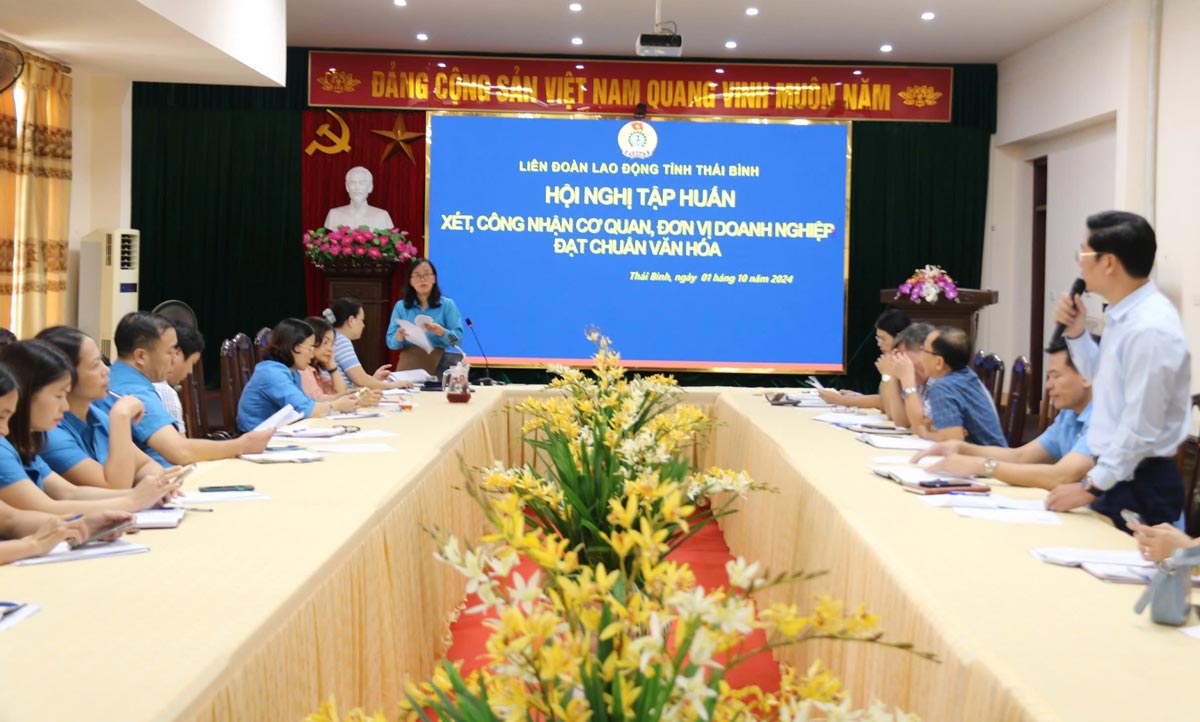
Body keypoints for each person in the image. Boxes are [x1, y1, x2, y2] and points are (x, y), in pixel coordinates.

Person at [1046, 211, 1192, 532]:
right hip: (1119, 475)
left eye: (1082, 254)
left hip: (1140, 481)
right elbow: (1104, 380)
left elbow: (1140, 425)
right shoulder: (1124, 314)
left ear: (1109, 263)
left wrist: (1089, 487)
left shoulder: (1150, 327)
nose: (1079, 264)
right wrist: (1076, 334)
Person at [0, 341, 179, 515]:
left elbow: (68, 493)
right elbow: (44, 508)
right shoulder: (22, 443)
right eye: (58, 395)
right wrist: (132, 500)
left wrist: (143, 494)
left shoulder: (24, 442)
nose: (65, 406)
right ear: (27, 394)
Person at [912, 337, 1093, 489]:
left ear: (1086, 375)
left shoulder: (1101, 418)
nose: (1048, 386)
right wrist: (960, 448)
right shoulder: (1069, 414)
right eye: (1049, 377)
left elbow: (1060, 477)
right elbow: (1020, 457)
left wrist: (981, 465)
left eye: (1056, 376)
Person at [94, 312, 271, 465]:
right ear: (141, 355)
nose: (173, 360)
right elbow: (179, 451)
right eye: (170, 352)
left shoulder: (119, 378)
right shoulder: (135, 391)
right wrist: (243, 445)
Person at [35, 326, 166, 489]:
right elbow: (114, 487)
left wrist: (152, 484)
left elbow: (146, 465)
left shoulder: (94, 414)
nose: (106, 370)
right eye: (95, 364)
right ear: (64, 375)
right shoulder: (49, 432)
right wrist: (121, 417)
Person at [237, 318, 359, 432]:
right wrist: (336, 405)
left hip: (276, 432)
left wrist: (344, 397)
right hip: (256, 437)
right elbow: (305, 410)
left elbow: (307, 402)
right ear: (295, 347)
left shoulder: (291, 371)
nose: (312, 356)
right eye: (310, 348)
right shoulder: (272, 373)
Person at [893, 326, 1006, 446]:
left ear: (939, 362)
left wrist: (926, 434)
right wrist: (932, 430)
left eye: (925, 351)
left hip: (987, 460)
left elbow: (952, 444)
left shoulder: (944, 386)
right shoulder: (965, 376)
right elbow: (928, 424)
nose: (922, 359)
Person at [817, 308, 911, 409]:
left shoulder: (905, 364)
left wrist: (840, 400)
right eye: (877, 339)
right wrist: (860, 397)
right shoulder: (889, 360)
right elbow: (884, 399)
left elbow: (886, 403)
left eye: (883, 339)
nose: (879, 344)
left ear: (899, 338)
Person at [386, 258, 465, 375]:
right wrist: (398, 337)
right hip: (408, 365)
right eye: (417, 275)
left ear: (434, 278)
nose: (422, 279)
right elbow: (390, 342)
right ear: (411, 281)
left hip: (438, 364)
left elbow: (458, 339)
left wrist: (442, 332)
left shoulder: (447, 305)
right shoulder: (401, 306)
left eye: (427, 274)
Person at [326, 298, 412, 391]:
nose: (363, 325)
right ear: (351, 320)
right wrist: (394, 385)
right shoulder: (341, 341)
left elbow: (359, 380)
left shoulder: (335, 337)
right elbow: (361, 380)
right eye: (362, 320)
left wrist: (373, 379)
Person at [878, 323, 934, 428]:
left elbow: (920, 425)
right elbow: (901, 421)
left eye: (902, 356)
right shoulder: (917, 379)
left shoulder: (943, 378)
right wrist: (892, 373)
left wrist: (907, 380)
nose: (899, 361)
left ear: (924, 350)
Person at [153, 323, 204, 435]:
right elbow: (180, 449)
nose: (190, 371)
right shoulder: (164, 390)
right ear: (176, 354)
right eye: (191, 363)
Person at [323, 166, 394, 230]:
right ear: (347, 187)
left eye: (362, 183)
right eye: (352, 183)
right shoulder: (334, 215)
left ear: (370, 187)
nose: (356, 187)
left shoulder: (382, 216)